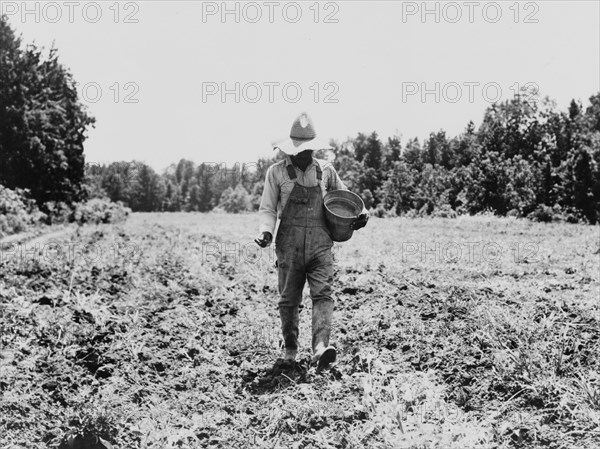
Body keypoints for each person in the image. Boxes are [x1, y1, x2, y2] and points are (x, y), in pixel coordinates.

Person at [254, 112, 369, 370]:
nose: (303, 155)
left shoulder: (326, 171)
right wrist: (265, 232)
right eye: (299, 150)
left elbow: (346, 201)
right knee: (288, 299)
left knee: (323, 295)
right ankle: (291, 349)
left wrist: (361, 214)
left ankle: (320, 348)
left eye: (307, 150)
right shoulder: (276, 173)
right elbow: (268, 209)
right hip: (289, 247)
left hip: (320, 246)